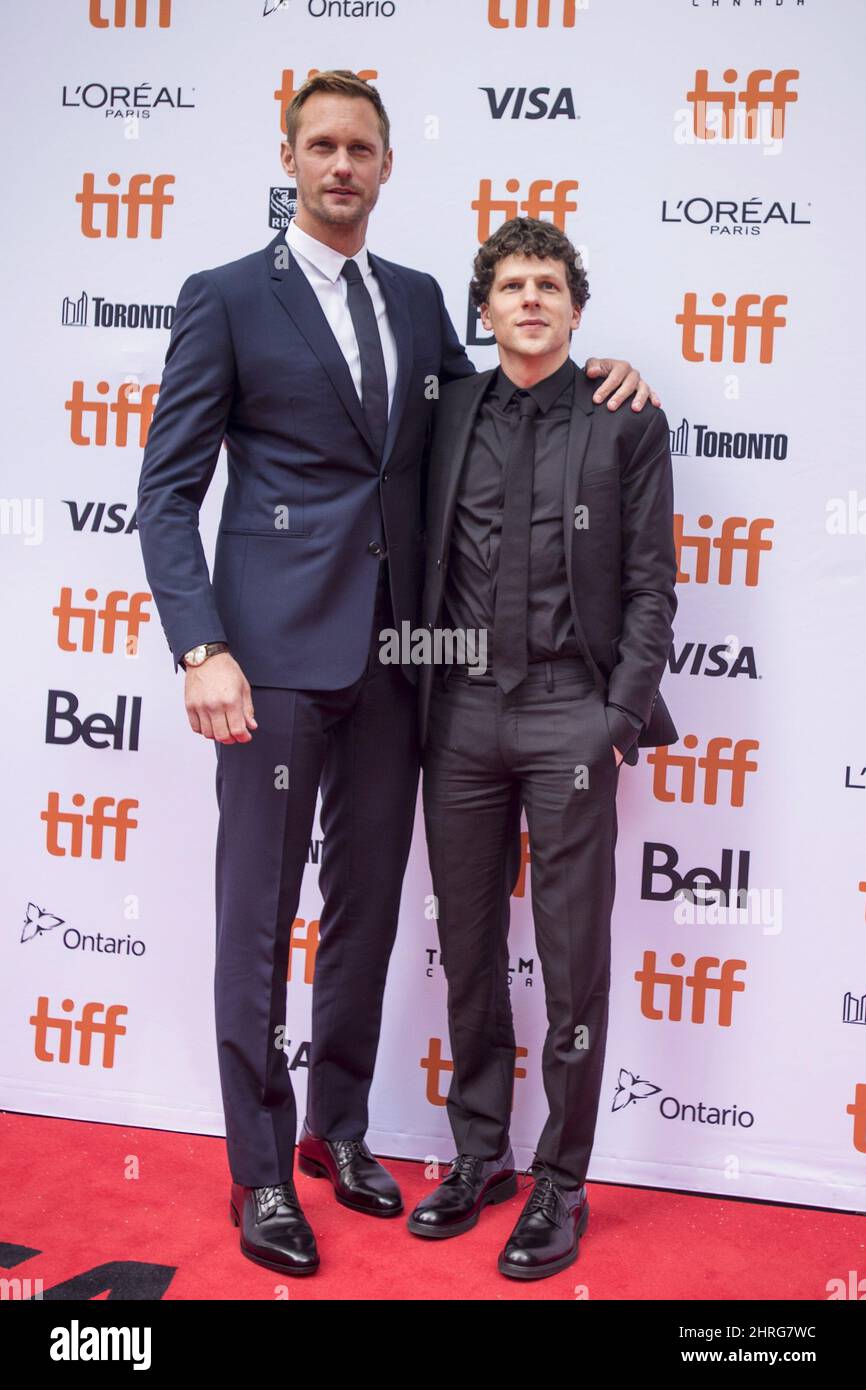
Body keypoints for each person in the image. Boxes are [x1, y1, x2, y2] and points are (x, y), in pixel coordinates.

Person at [136, 70, 659, 1277]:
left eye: (359, 148)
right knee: (257, 922)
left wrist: (609, 374)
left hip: (401, 666)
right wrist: (200, 645)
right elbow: (167, 494)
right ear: (289, 156)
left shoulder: (421, 302)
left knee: (369, 915)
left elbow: (504, 395)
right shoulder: (223, 299)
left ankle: (341, 1131)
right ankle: (260, 1171)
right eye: (319, 145)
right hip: (264, 667)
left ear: (384, 164)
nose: (339, 165)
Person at [410, 216, 678, 1280]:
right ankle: (478, 1155)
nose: (529, 298)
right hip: (458, 714)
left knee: (572, 964)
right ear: (482, 311)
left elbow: (654, 583)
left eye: (548, 284)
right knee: (468, 950)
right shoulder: (441, 409)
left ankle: (561, 1184)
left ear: (575, 306)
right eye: (511, 284)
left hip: (573, 708)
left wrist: (615, 716)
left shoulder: (625, 420)